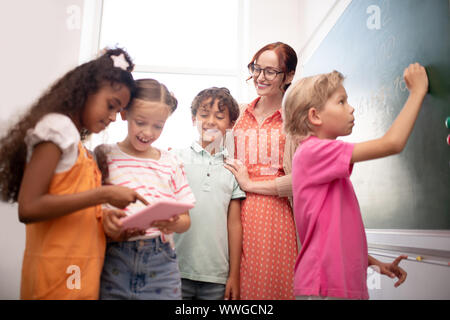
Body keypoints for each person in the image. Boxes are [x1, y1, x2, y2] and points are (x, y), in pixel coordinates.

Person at [0, 48, 148, 299]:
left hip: (78, 280)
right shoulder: (57, 129)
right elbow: (29, 207)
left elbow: (69, 204)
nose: (113, 117)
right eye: (111, 106)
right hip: (55, 282)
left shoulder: (77, 146)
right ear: (87, 90)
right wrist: (104, 194)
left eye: (118, 110)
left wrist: (106, 223)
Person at [283, 63, 428, 299]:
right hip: (324, 286)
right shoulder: (313, 152)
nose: (351, 108)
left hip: (338, 285)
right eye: (341, 101)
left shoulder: (323, 161)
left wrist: (372, 262)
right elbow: (392, 143)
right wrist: (417, 92)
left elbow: (332, 232)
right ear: (315, 115)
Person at [95, 78, 195, 300]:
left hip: (160, 261)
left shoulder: (171, 162)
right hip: (115, 257)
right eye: (140, 122)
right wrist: (106, 219)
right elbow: (92, 208)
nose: (148, 132)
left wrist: (174, 223)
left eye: (158, 126)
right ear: (124, 113)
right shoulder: (104, 155)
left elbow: (186, 220)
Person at [224, 42, 298, 299]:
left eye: (270, 71)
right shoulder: (237, 113)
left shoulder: (294, 122)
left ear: (288, 76)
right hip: (232, 210)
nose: (260, 76)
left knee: (268, 291)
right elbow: (216, 156)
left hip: (273, 218)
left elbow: (302, 180)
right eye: (256, 68)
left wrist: (252, 185)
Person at [172, 87, 245, 300]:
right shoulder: (175, 159)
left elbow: (234, 225)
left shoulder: (233, 168)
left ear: (231, 124)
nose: (211, 121)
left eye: (220, 116)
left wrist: (233, 276)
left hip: (217, 278)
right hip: (175, 271)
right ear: (193, 118)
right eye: (204, 115)